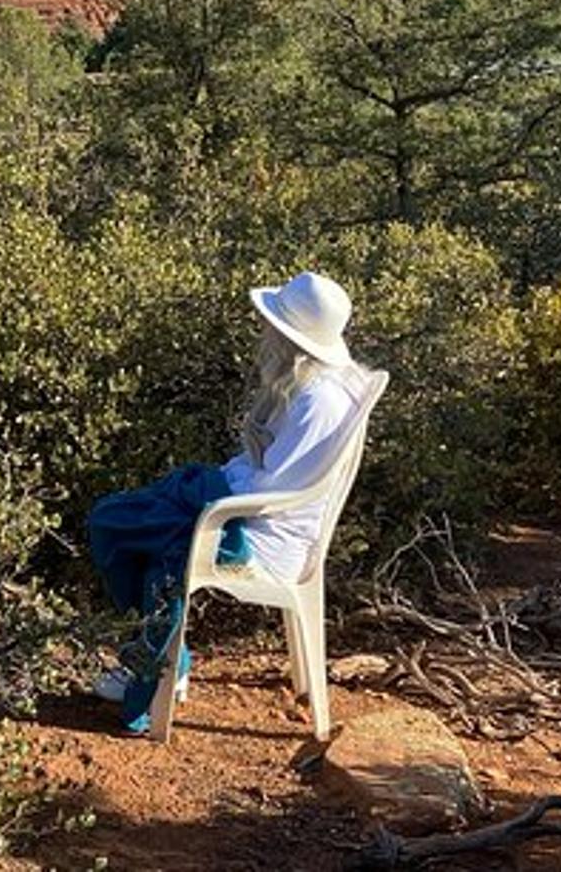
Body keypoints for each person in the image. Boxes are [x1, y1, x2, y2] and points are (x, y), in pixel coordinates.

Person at [86, 272, 368, 732]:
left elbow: (272, 491)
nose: (264, 333)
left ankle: (154, 672)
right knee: (120, 516)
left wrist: (205, 492)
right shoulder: (311, 384)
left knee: (129, 526)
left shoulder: (319, 400)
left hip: (262, 535)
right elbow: (264, 469)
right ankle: (157, 654)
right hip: (253, 511)